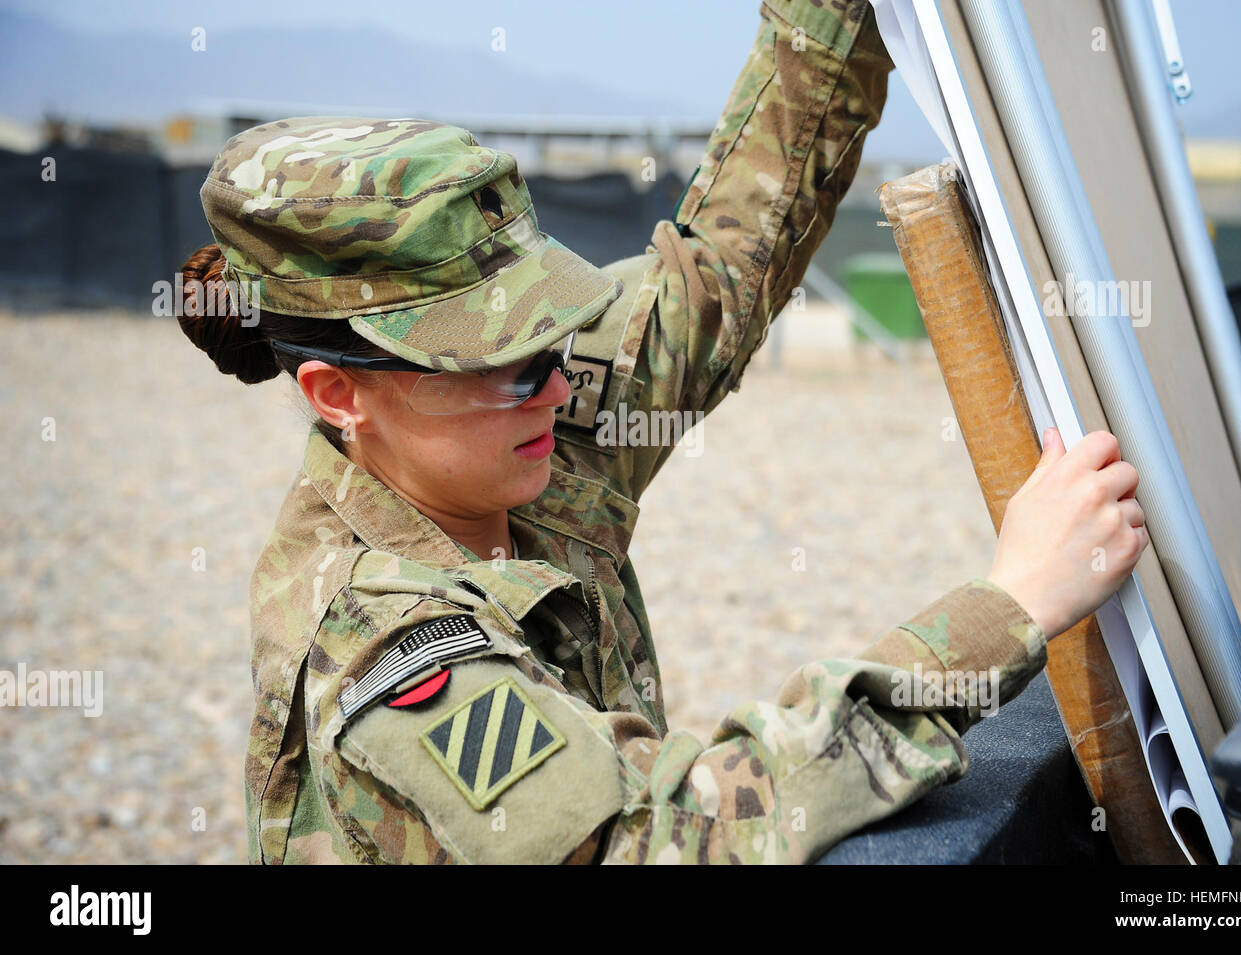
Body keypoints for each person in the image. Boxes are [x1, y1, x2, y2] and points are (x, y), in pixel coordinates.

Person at [177, 0, 1147, 864]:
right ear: (338, 393)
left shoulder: (500, 429)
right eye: (505, 361)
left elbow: (726, 264)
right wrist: (1006, 605)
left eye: (553, 336)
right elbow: (660, 832)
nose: (557, 389)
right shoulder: (386, 644)